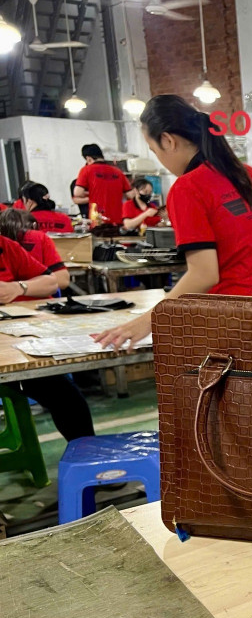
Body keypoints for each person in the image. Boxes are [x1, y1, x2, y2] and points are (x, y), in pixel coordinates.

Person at [93, 95, 252, 350]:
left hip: (242, 322)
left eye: (154, 150)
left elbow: (204, 274)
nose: (160, 159)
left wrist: (149, 320)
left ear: (168, 141)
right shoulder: (248, 173)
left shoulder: (188, 188)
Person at [0, 234, 94, 441]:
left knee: (66, 397)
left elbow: (52, 282)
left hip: (8, 346)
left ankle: (87, 455)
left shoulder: (6, 247)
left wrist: (18, 287)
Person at [0, 209, 69, 291]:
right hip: (36, 294)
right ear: (34, 225)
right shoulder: (39, 238)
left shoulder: (6, 244)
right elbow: (62, 280)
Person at [73, 144, 132, 226]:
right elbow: (131, 195)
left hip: (98, 219)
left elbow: (77, 193)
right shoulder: (118, 171)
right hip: (118, 219)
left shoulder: (86, 170)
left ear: (88, 158)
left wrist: (93, 193)